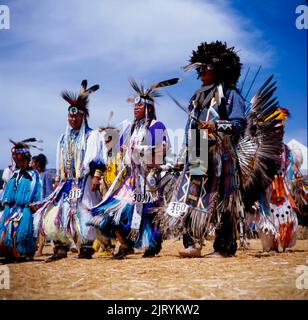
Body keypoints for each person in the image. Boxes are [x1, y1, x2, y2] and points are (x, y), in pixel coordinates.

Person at [88, 77, 179, 259]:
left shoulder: (156, 126)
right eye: (134, 105)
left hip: (149, 179)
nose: (135, 108)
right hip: (130, 181)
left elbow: (160, 154)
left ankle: (151, 245)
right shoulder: (130, 129)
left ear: (149, 108)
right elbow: (119, 151)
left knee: (147, 215)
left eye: (140, 106)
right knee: (110, 212)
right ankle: (125, 244)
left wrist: (138, 152)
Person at [33, 80, 105, 261]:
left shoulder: (92, 135)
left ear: (83, 118)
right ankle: (60, 248)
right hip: (67, 182)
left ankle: (86, 248)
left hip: (85, 180)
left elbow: (97, 160)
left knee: (85, 210)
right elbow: (60, 161)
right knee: (61, 211)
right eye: (70, 117)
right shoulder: (63, 139)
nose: (72, 119)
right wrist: (59, 178)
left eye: (76, 116)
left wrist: (96, 177)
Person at [0, 138, 42, 262]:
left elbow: (37, 191)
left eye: (23, 160)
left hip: (26, 208)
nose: (20, 163)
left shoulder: (33, 175)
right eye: (18, 161)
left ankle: (24, 251)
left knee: (24, 230)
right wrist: (7, 201)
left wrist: (33, 204)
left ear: (28, 160)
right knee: (8, 228)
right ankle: (10, 252)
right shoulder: (15, 174)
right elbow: (9, 189)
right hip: (13, 208)